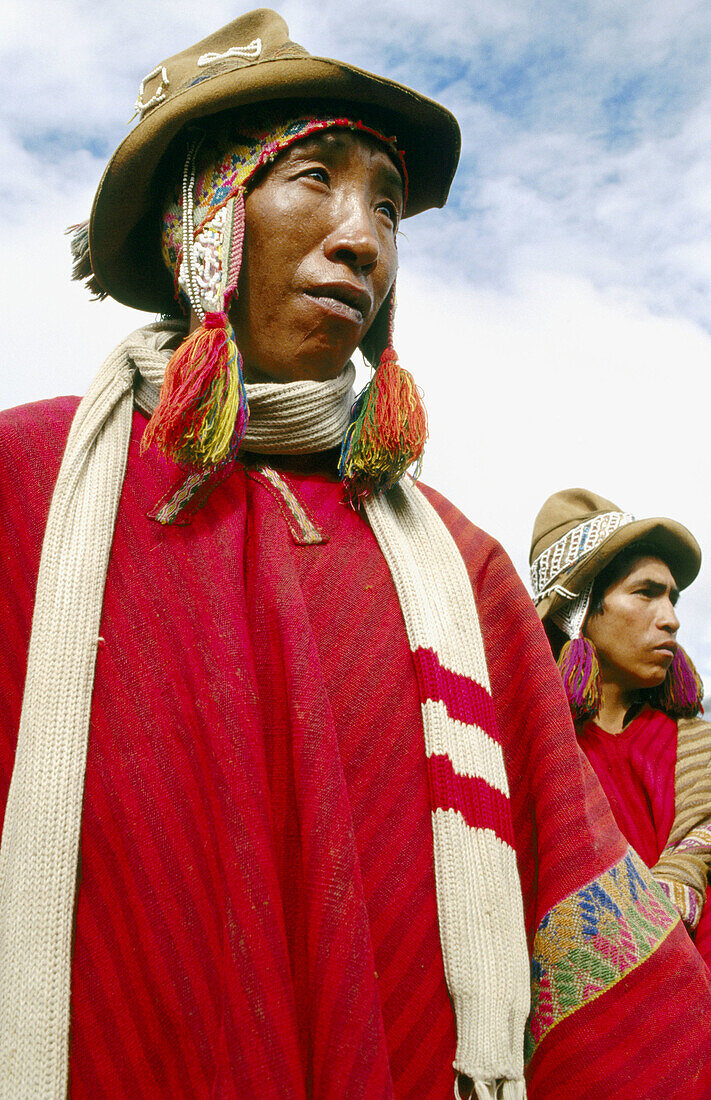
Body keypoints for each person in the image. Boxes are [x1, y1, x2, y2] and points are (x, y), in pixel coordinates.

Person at [1, 11, 711, 1099]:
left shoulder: (461, 574)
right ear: (201, 217)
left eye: (385, 203)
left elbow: (577, 901)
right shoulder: (30, 490)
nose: (365, 234)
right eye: (313, 178)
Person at [530, 487, 711, 967]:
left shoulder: (695, 747)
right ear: (581, 613)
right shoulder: (533, 754)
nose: (671, 619)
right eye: (645, 593)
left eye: (671, 597)